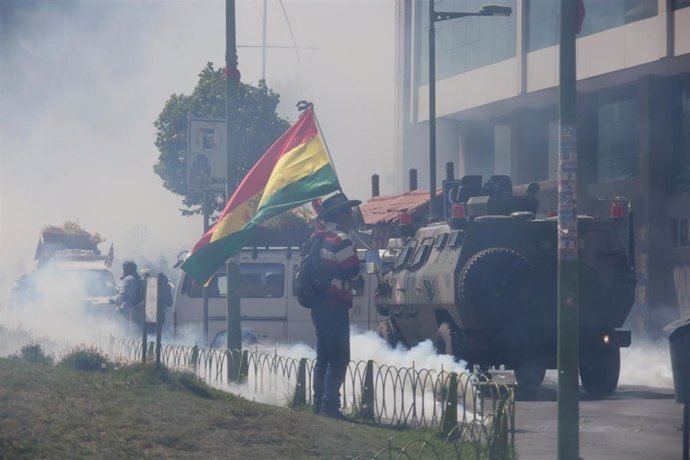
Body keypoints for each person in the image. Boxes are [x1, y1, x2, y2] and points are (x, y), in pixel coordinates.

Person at [309, 192, 362, 420]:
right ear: (340, 214)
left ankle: (319, 402)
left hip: (318, 305)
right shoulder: (340, 239)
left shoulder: (318, 237)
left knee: (323, 357)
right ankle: (330, 406)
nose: (352, 215)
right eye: (348, 211)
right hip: (335, 306)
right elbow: (352, 270)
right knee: (339, 357)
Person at [110, 260, 143, 331]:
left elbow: (122, 295)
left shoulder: (128, 279)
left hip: (129, 311)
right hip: (140, 310)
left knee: (125, 332)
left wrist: (113, 300)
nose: (123, 271)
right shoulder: (140, 278)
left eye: (124, 269)